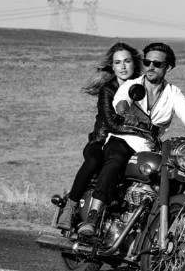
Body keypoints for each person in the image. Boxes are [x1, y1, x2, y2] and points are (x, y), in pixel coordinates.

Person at [78, 42, 185, 237]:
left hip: (149, 146)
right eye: (147, 62)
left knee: (178, 175)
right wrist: (126, 113)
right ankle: (93, 216)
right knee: (115, 160)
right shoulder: (132, 85)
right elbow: (121, 101)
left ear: (168, 67)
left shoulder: (173, 93)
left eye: (157, 64)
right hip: (123, 139)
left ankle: (158, 228)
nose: (151, 67)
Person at [56, 42, 142, 230]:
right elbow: (110, 122)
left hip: (128, 143)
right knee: (94, 161)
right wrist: (137, 130)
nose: (123, 66)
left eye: (127, 61)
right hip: (101, 141)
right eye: (118, 62)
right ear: (112, 67)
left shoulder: (142, 87)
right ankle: (70, 207)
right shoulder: (108, 90)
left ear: (134, 63)